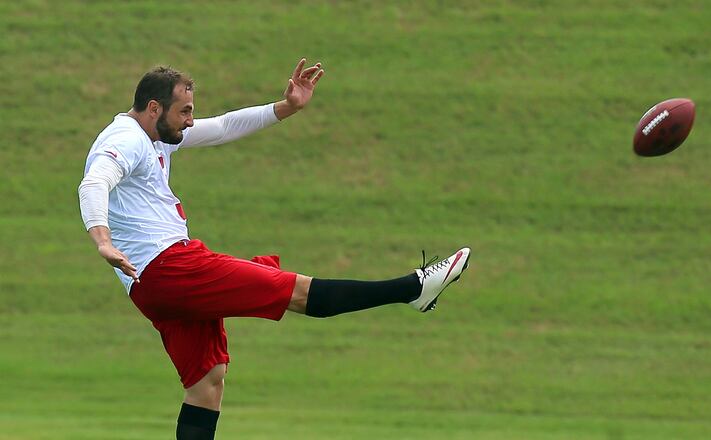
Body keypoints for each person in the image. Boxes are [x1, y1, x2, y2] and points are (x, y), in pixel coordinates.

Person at [77, 58, 471, 440]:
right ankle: (412, 289)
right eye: (185, 111)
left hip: (152, 286)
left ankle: (413, 291)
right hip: (171, 268)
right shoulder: (125, 139)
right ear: (153, 107)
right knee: (296, 291)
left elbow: (225, 126)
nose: (191, 120)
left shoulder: (156, 133)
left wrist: (287, 107)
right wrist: (103, 241)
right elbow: (94, 183)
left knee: (207, 382)